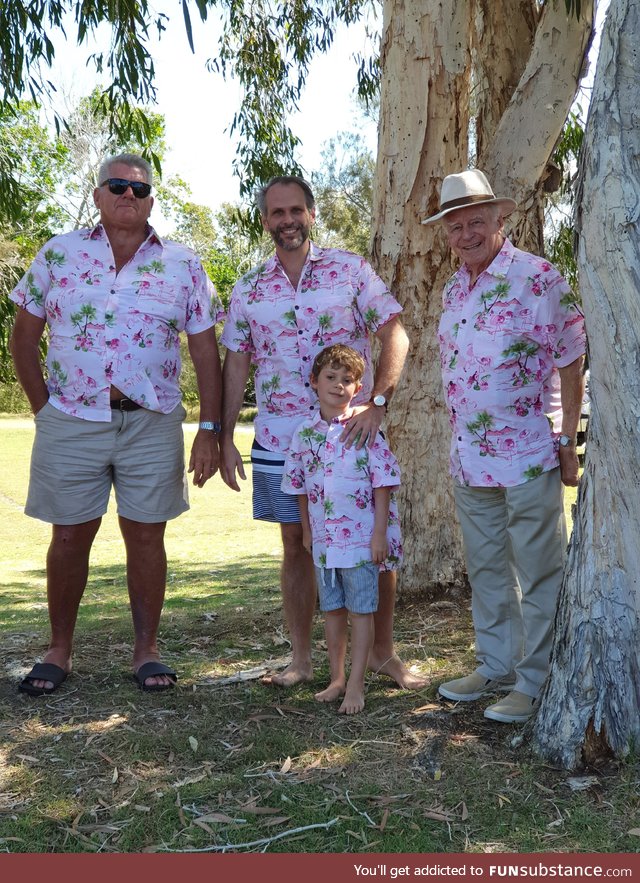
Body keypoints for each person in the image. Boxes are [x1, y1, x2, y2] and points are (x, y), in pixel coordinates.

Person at [9, 152, 224, 695]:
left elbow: (205, 353)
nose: (129, 196)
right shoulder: (59, 254)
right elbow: (23, 340)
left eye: (140, 189)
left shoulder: (183, 264)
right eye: (117, 186)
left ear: (152, 198)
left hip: (151, 423)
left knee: (147, 537)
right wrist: (44, 410)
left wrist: (210, 429)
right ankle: (58, 650)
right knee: (70, 535)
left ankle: (147, 650)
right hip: (72, 419)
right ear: (99, 194)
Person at [220, 175, 425, 690]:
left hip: (352, 437)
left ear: (311, 214)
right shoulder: (249, 288)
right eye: (276, 213)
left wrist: (378, 402)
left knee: (372, 549)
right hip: (280, 437)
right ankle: (303, 661)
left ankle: (382, 653)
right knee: (296, 545)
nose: (286, 221)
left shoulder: (350, 270)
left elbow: (393, 331)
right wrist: (222, 433)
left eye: (295, 211)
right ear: (265, 220)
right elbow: (236, 363)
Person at [423, 169, 586, 723]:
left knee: (539, 570)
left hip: (528, 453)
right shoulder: (453, 288)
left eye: (475, 222)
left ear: (499, 219)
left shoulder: (537, 278)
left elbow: (570, 358)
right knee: (488, 567)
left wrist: (567, 440)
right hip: (469, 457)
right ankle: (496, 664)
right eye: (455, 225)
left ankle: (535, 680)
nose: (465, 233)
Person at [282, 344, 403, 714]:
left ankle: (356, 685)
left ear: (359, 386)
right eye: (330, 378)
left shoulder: (364, 428)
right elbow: (299, 485)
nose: (338, 386)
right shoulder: (304, 434)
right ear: (314, 383)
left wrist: (379, 534)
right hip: (324, 543)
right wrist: (306, 530)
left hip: (361, 544)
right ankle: (336, 679)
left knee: (361, 611)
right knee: (332, 610)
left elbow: (383, 484)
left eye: (347, 380)